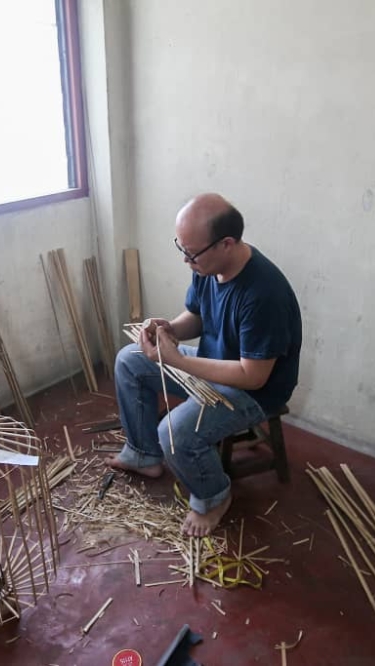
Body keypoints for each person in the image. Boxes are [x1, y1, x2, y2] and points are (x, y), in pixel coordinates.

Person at [109, 193, 303, 536]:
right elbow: (196, 317)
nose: (186, 260)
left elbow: (253, 376)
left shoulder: (264, 294)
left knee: (175, 431)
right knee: (129, 361)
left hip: (255, 390)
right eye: (181, 249)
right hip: (216, 360)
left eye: (191, 252)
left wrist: (179, 360)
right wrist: (170, 329)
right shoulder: (207, 265)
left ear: (226, 243)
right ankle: (142, 454)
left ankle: (214, 497)